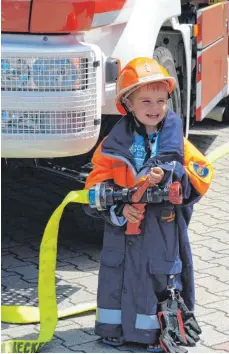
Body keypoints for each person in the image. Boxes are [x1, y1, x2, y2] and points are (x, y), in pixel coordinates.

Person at [83, 57, 213, 352]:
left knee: (159, 276)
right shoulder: (112, 144)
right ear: (128, 104)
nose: (154, 108)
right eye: (145, 101)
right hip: (122, 228)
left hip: (161, 229)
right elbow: (94, 186)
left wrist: (172, 175)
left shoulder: (174, 140)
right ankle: (113, 328)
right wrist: (118, 209)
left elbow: (201, 177)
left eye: (160, 100)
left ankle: (154, 333)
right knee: (117, 275)